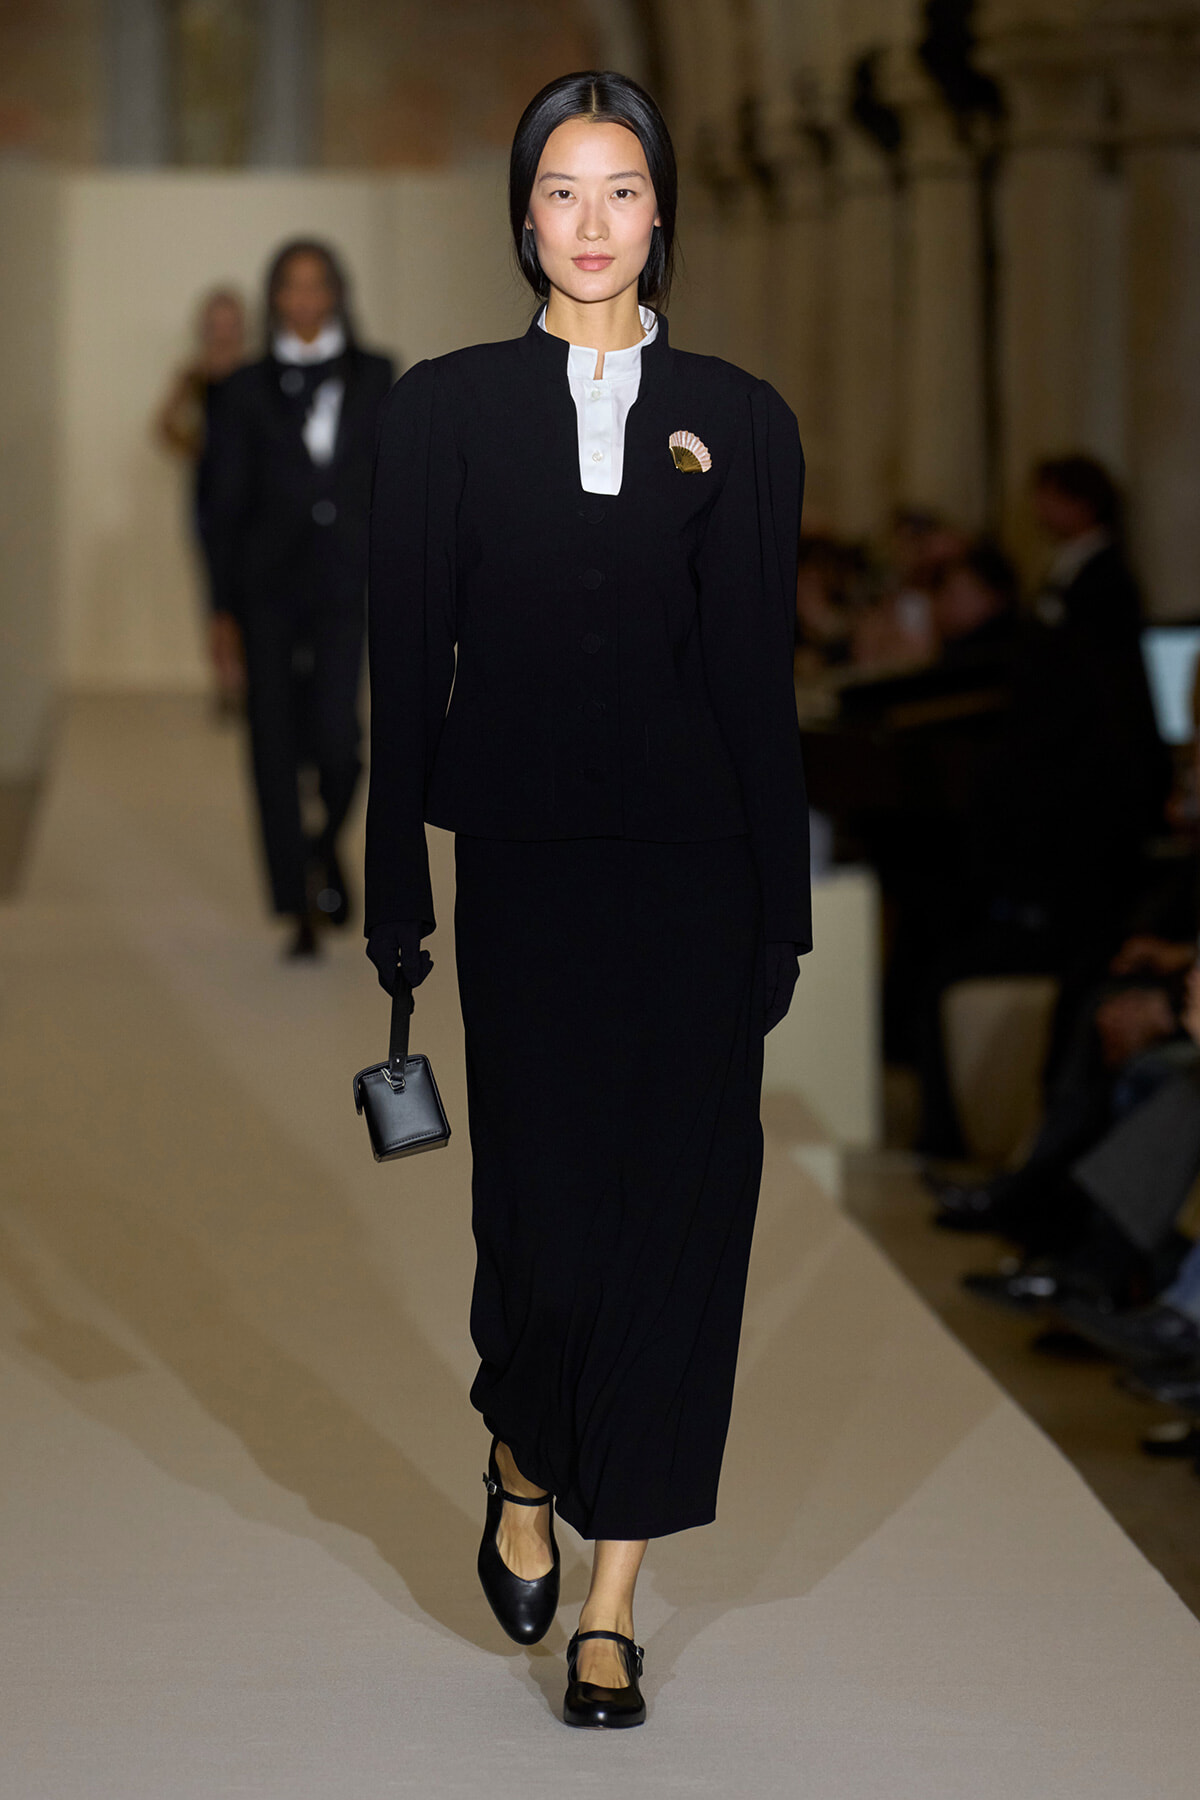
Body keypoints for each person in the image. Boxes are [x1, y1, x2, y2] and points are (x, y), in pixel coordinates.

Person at [363, 71, 809, 1728]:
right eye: (564, 192)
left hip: (701, 878)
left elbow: (760, 682)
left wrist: (786, 910)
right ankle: (522, 1452)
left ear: (662, 210)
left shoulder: (745, 418)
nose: (595, 224)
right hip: (532, 875)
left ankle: (615, 1600)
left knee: (683, 1232)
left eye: (623, 190)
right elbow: (407, 669)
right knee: (543, 1231)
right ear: (522, 215)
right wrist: (393, 891)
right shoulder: (447, 412)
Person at [204, 242, 395, 957]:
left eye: (319, 284)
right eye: (293, 285)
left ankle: (319, 848)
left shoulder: (379, 374)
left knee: (342, 742)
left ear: (338, 293)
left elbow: (396, 485)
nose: (307, 298)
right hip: (267, 591)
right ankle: (298, 907)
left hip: (348, 583)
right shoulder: (244, 388)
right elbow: (222, 507)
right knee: (274, 743)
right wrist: (220, 610)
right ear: (275, 297)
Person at [153, 286, 248, 708]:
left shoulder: (255, 373)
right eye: (217, 322)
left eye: (230, 322)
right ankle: (227, 683)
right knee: (218, 598)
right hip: (210, 500)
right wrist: (196, 446)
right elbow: (164, 425)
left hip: (252, 500)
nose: (223, 330)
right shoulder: (193, 376)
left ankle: (249, 679)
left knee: (250, 593)